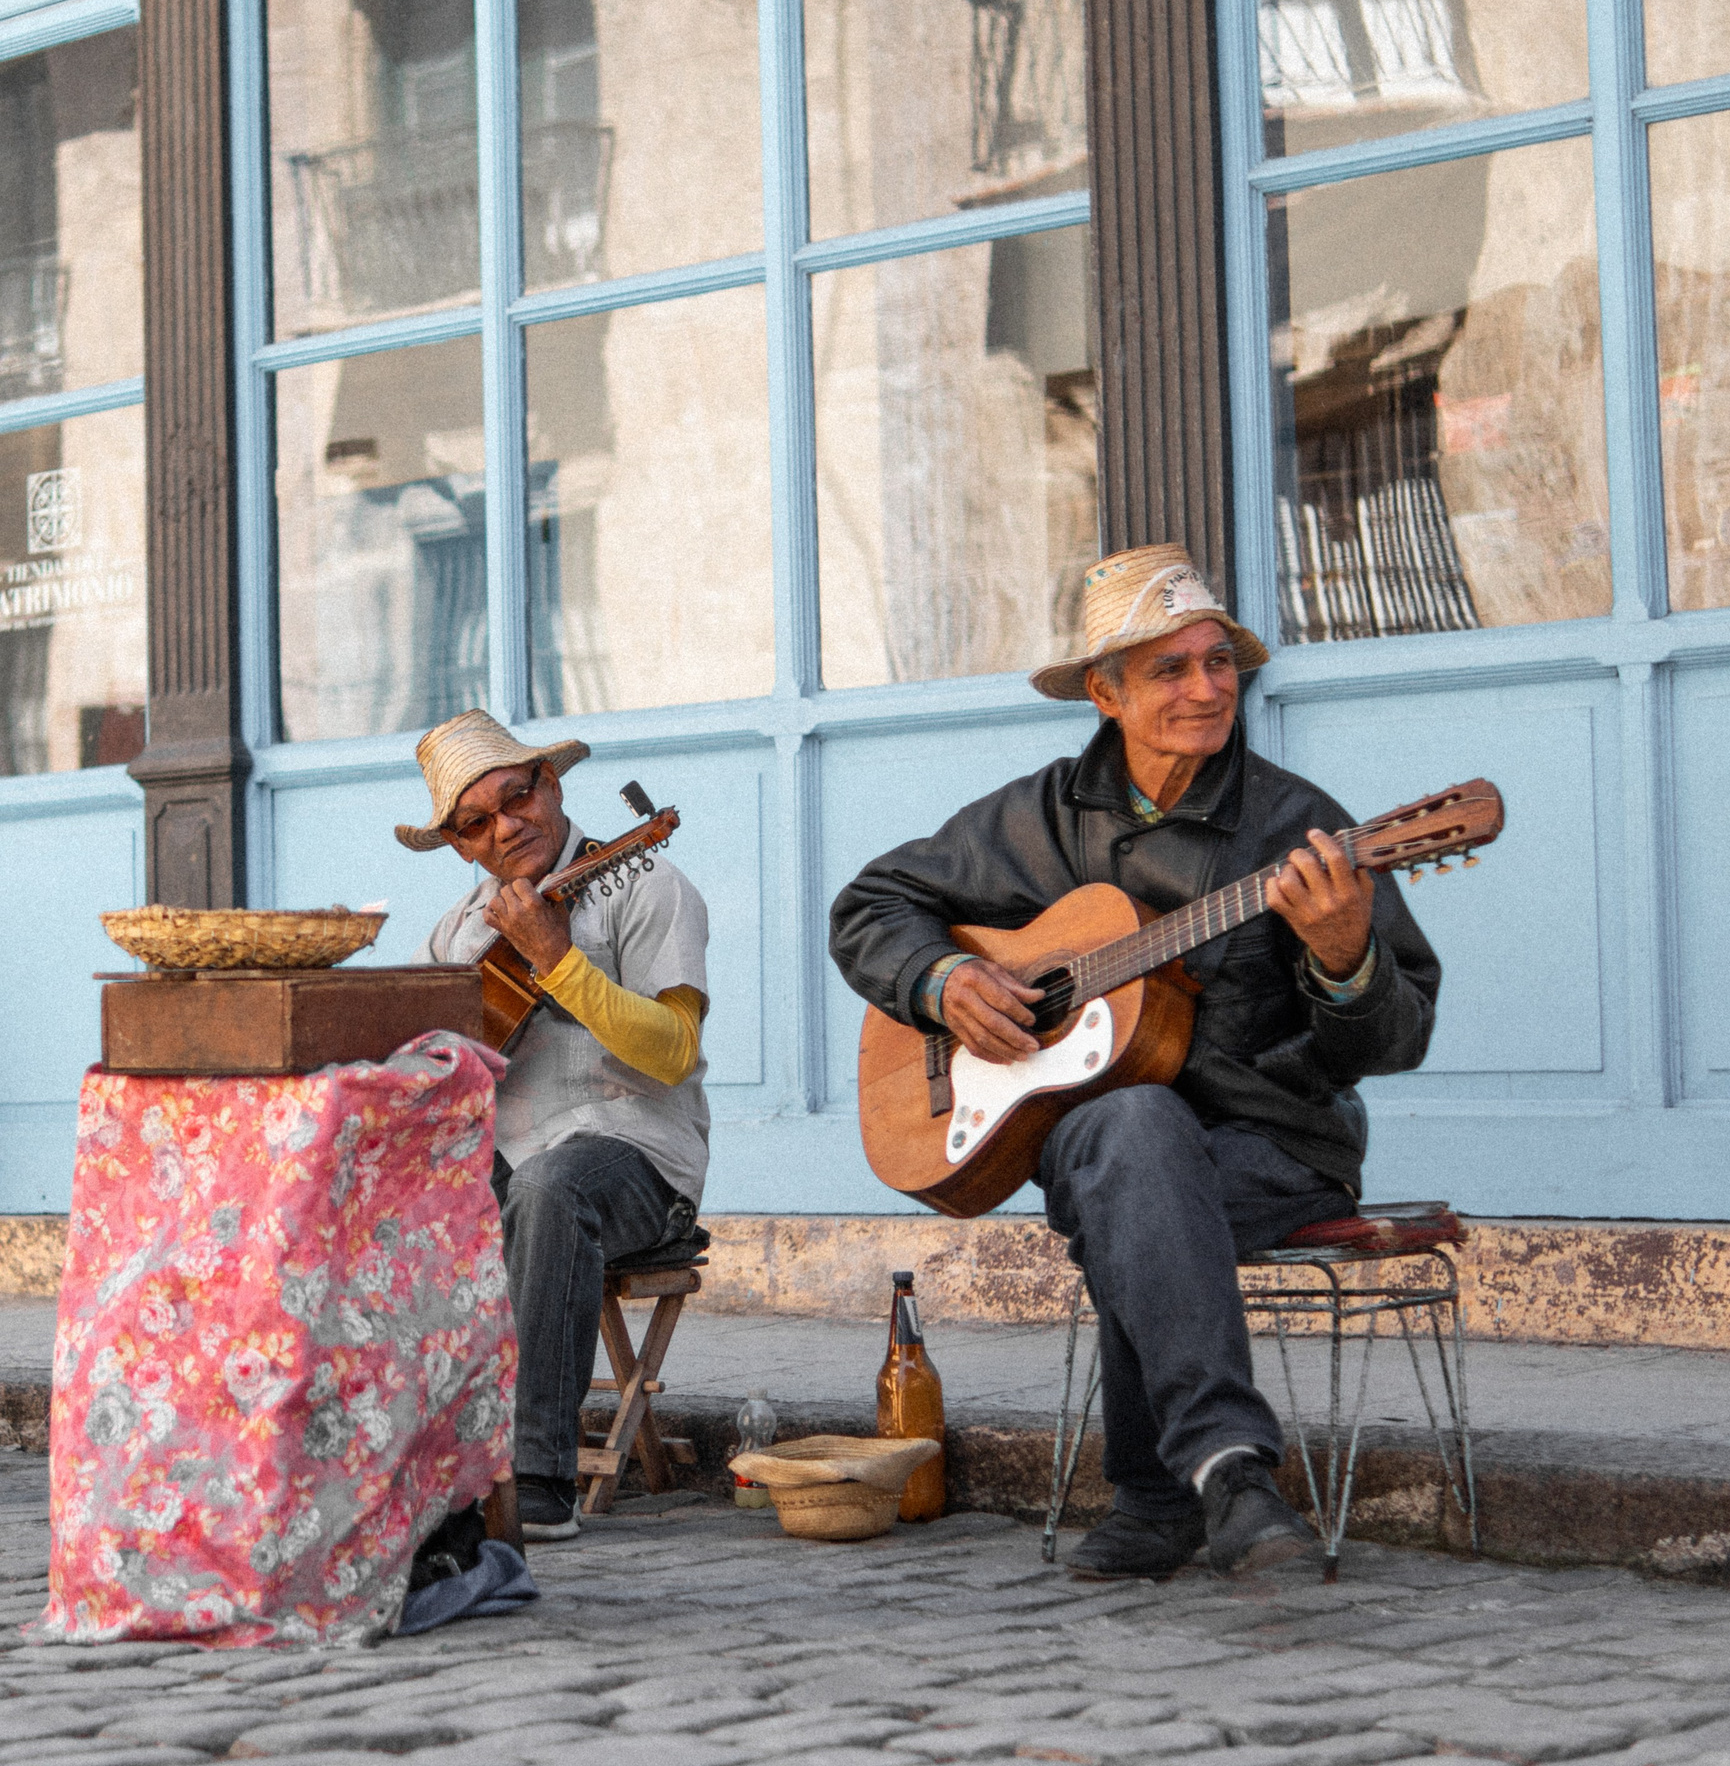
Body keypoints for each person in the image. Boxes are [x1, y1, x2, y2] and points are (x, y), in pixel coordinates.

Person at [829, 543, 1442, 1580]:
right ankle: (1225, 1479)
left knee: (1141, 1156)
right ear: (1105, 694)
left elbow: (1397, 1039)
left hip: (1274, 1144)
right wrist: (942, 980)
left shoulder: (1300, 829)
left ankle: (1175, 1488)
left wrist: (1346, 962)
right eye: (1171, 669)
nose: (1207, 689)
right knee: (1133, 1129)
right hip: (1102, 1145)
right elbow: (871, 904)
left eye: (1219, 662)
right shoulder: (1040, 816)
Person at [402, 711, 711, 1544]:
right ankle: (410, 1464)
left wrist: (559, 962)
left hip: (638, 1158)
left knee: (549, 1186)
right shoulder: (458, 931)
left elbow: (675, 1052)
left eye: (518, 797)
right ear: (460, 845)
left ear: (553, 784)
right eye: (477, 823)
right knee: (387, 1204)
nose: (507, 827)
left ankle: (537, 1477)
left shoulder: (647, 886)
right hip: (508, 1160)